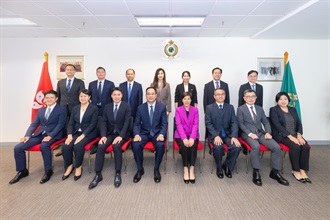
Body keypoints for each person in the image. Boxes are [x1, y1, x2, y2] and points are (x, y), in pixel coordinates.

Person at [9, 90, 67, 184]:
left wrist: (50, 136)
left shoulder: (62, 109)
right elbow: (34, 124)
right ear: (44, 99)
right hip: (40, 134)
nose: (49, 99)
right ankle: (22, 171)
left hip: (54, 135)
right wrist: (27, 135)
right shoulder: (41, 110)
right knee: (18, 147)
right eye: (47, 98)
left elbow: (60, 125)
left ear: (56, 99)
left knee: (44, 146)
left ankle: (48, 171)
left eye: (52, 97)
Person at [237, 89, 289, 186]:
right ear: (244, 98)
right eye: (248, 96)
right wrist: (250, 134)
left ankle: (275, 172)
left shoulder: (259, 108)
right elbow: (241, 124)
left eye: (253, 96)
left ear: (256, 98)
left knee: (276, 147)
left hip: (261, 133)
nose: (251, 98)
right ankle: (256, 172)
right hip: (248, 134)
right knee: (256, 147)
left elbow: (265, 121)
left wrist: (268, 132)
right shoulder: (241, 109)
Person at [89, 87, 131, 189]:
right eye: (114, 95)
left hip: (122, 134)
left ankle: (117, 173)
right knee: (101, 145)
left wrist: (121, 136)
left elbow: (127, 123)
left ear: (122, 95)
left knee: (116, 147)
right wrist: (103, 136)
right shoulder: (107, 107)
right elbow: (103, 122)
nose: (116, 97)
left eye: (118, 95)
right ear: (111, 96)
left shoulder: (126, 106)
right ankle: (98, 174)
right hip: (109, 134)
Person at [269, 92, 311, 183]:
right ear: (277, 101)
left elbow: (299, 123)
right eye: (280, 99)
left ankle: (303, 170)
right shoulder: (274, 110)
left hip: (295, 134)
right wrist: (291, 137)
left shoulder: (293, 109)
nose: (283, 101)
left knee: (305, 146)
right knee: (295, 147)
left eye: (285, 99)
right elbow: (277, 125)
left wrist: (299, 135)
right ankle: (295, 171)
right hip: (281, 135)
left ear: (288, 100)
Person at [132, 87, 168, 183]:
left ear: (156, 95)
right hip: (144, 133)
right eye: (148, 94)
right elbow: (136, 124)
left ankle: (156, 169)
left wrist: (161, 134)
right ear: (146, 95)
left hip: (157, 134)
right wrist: (136, 135)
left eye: (152, 94)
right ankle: (140, 169)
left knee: (160, 145)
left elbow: (164, 123)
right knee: (136, 145)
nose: (150, 96)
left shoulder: (162, 107)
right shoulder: (140, 108)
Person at [61, 89, 98, 181]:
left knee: (78, 146)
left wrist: (83, 135)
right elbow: (71, 123)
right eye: (81, 96)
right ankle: (69, 166)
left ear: (89, 97)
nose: (83, 98)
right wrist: (69, 135)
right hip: (76, 132)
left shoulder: (94, 108)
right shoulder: (75, 108)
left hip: (89, 133)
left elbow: (93, 124)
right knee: (66, 146)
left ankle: (78, 167)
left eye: (85, 96)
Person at [205, 88, 241, 179]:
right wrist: (215, 135)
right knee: (218, 147)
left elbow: (234, 122)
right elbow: (208, 124)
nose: (220, 96)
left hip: (227, 135)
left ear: (225, 96)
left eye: (222, 94)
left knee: (236, 147)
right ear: (214, 96)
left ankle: (228, 166)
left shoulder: (230, 107)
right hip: (215, 134)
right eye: (218, 94)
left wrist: (234, 136)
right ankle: (219, 167)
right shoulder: (209, 108)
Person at [56, 64, 85, 157]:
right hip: (63, 107)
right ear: (65, 71)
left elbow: (82, 95)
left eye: (71, 70)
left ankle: (73, 145)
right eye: (68, 70)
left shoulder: (80, 82)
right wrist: (58, 107)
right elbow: (58, 96)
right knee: (63, 126)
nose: (69, 71)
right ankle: (65, 147)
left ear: (75, 71)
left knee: (74, 126)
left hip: (75, 107)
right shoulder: (60, 82)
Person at [174, 92, 199, 184]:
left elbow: (195, 124)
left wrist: (192, 138)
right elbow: (178, 125)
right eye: (185, 99)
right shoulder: (178, 110)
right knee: (184, 146)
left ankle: (192, 168)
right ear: (182, 100)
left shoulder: (195, 110)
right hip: (181, 134)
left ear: (191, 100)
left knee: (192, 145)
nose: (187, 101)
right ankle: (185, 168)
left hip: (193, 134)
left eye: (188, 99)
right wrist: (184, 138)